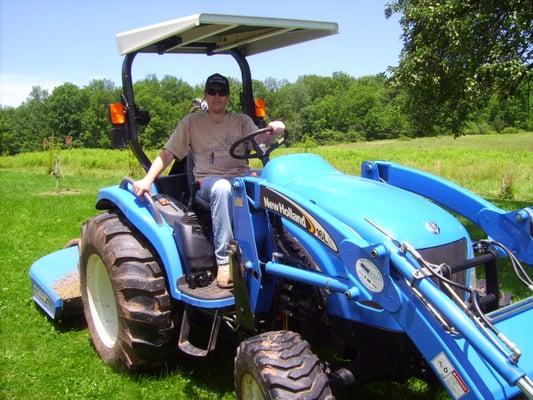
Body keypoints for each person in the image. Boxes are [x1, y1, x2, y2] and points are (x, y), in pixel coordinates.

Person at [133, 73, 285, 288]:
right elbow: (168, 153)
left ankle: (282, 248)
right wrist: (148, 180)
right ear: (205, 95)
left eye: (221, 92)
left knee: (272, 179)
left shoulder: (241, 121)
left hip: (239, 176)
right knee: (223, 188)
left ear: (227, 96)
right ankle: (225, 262)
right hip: (207, 183)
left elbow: (258, 140)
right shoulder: (191, 122)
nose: (217, 96)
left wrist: (272, 130)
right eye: (212, 91)